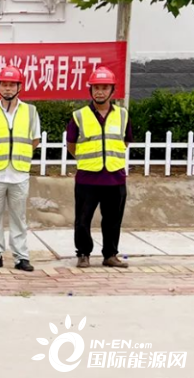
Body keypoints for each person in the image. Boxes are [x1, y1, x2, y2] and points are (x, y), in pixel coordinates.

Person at [0, 66, 40, 272]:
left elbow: (35, 140)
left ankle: (21, 257)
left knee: (18, 218)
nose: (8, 88)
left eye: (12, 84)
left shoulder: (30, 111)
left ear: (19, 87)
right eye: (4, 84)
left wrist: (17, 155)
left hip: (19, 173)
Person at [67, 66, 131, 269]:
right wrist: (86, 159)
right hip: (88, 178)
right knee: (82, 219)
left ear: (112, 90)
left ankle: (110, 254)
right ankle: (83, 253)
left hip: (114, 176)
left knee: (113, 219)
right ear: (90, 90)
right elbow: (71, 144)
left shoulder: (122, 115)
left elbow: (125, 141)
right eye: (96, 88)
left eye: (104, 88)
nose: (100, 92)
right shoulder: (79, 115)